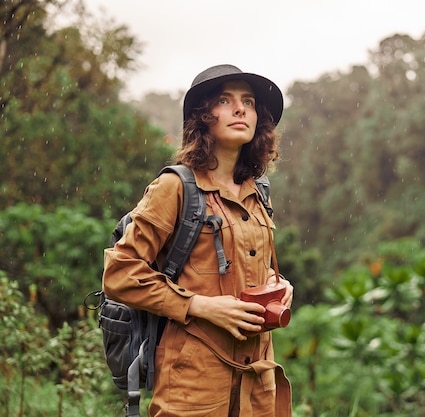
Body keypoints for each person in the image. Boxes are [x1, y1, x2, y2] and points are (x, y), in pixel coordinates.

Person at [103, 64, 293, 417]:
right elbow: (120, 274)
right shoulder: (175, 188)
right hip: (193, 384)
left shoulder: (258, 192)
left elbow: (252, 263)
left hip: (259, 383)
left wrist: (277, 284)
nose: (240, 109)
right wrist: (200, 306)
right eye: (225, 100)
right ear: (203, 117)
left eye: (248, 102)